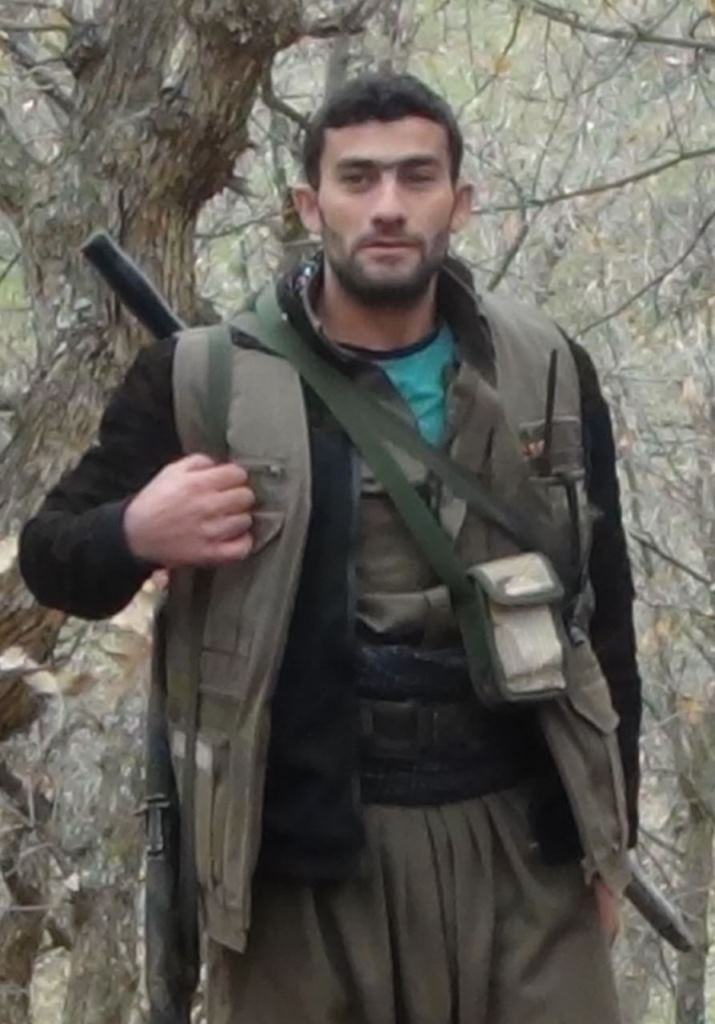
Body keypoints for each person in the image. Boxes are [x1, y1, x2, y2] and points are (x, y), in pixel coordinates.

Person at [19, 72, 641, 1024]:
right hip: (300, 865)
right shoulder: (204, 377)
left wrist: (610, 843)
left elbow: (605, 614)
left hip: (524, 842)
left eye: (416, 177)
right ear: (310, 205)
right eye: (357, 179)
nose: (387, 206)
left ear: (459, 202)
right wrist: (135, 530)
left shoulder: (545, 365)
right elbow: (51, 557)